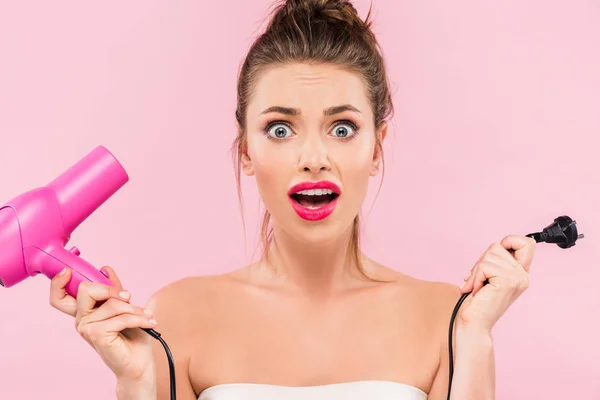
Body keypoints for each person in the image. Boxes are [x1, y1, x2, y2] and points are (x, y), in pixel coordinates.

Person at [48, 0, 536, 399]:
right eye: (279, 129)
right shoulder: (176, 316)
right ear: (246, 151)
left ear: (376, 148)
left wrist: (475, 335)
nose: (313, 157)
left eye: (342, 128)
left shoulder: (447, 316)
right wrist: (135, 381)